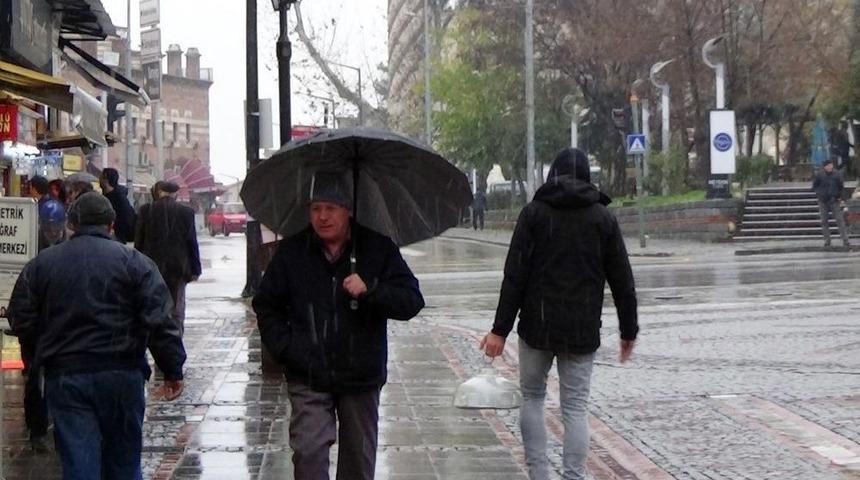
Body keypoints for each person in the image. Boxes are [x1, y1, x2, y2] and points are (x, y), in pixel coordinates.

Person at [253, 171, 425, 480]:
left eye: (331, 208)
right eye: (316, 208)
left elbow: (411, 301)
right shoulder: (293, 253)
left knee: (358, 465)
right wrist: (286, 348)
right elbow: (266, 305)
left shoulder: (377, 248)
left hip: (360, 374)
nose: (322, 217)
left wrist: (370, 290)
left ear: (348, 210)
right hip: (308, 372)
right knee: (308, 454)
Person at [480, 148, 638, 480]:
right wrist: (628, 330)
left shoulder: (534, 214)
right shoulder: (602, 218)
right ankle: (573, 476)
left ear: (552, 174)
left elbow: (515, 276)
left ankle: (539, 473)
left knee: (533, 396)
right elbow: (622, 278)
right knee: (575, 407)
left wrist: (500, 329)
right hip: (581, 328)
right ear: (587, 177)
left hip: (537, 326)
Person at [7, 192, 186, 478]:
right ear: (112, 224)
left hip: (67, 375)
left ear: (72, 224)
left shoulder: (43, 264)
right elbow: (160, 320)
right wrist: (172, 368)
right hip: (122, 373)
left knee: (79, 461)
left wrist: (42, 349)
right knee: (124, 461)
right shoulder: (135, 263)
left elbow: (20, 317)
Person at [135, 181, 201, 333]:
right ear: (176, 194)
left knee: (153, 303)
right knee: (177, 306)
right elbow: (191, 242)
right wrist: (195, 269)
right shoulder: (186, 212)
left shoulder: (146, 210)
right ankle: (175, 335)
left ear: (159, 192)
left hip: (151, 267)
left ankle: (156, 335)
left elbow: (139, 241)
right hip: (178, 267)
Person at [812, 159, 850, 248]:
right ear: (824, 167)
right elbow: (815, 186)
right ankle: (827, 240)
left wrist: (841, 197)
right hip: (823, 201)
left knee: (840, 220)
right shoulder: (819, 175)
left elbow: (841, 187)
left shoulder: (837, 174)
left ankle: (845, 240)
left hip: (834, 200)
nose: (829, 167)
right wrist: (819, 193)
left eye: (830, 165)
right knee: (824, 221)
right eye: (827, 166)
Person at [100, 167, 137, 243]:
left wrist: (118, 234)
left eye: (100, 177)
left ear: (106, 179)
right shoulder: (106, 196)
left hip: (116, 238)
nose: (99, 180)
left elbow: (127, 218)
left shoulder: (120, 198)